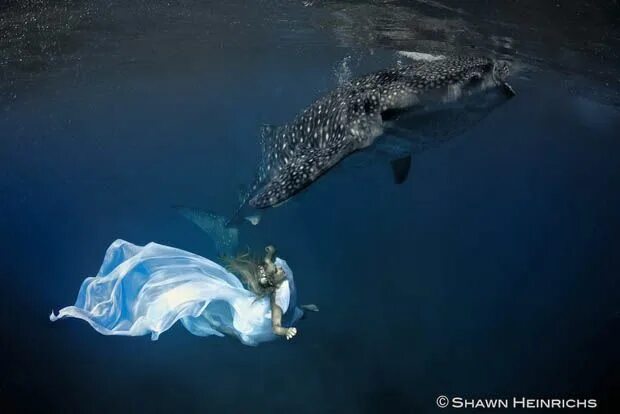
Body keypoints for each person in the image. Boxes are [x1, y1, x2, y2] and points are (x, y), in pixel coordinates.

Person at [50, 240, 317, 345]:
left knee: (242, 329)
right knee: (241, 327)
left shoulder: (278, 293)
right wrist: (271, 254)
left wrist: (285, 330)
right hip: (257, 317)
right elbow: (277, 315)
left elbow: (279, 319)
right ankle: (192, 311)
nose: (278, 270)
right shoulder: (279, 286)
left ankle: (305, 313)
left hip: (258, 320)